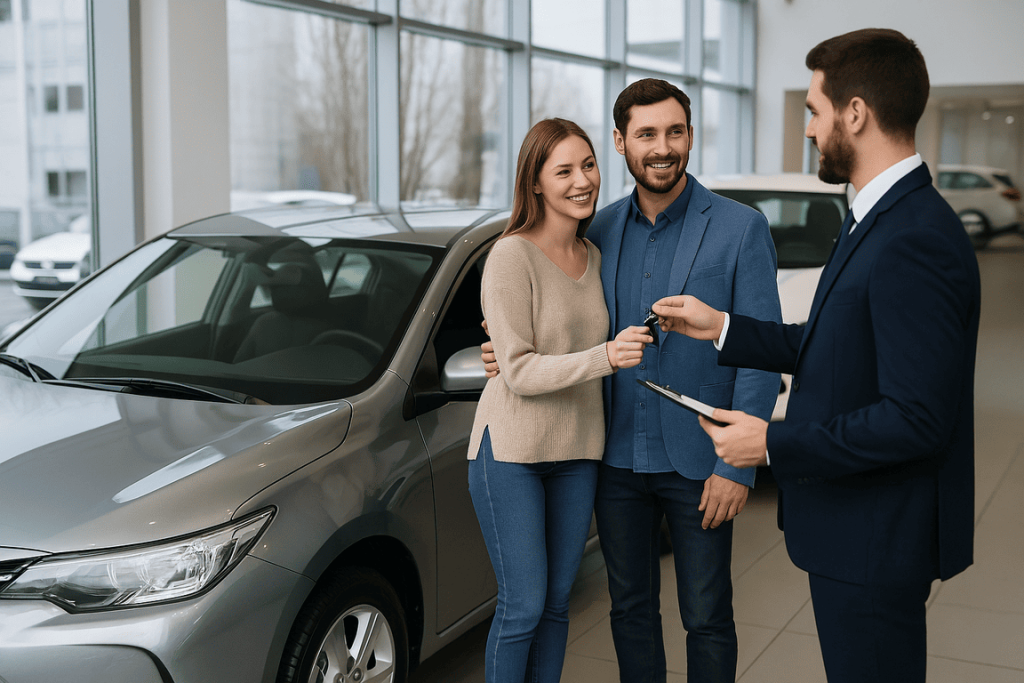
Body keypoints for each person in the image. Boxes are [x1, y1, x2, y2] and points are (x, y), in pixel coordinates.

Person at [652, 29, 980, 683]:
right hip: (856, 531)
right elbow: (834, 343)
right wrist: (722, 327)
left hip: (875, 538)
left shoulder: (914, 236)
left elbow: (916, 418)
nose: (807, 129)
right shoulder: (877, 216)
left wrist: (770, 442)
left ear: (854, 113)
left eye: (813, 110)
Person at [484, 80, 782, 683]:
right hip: (613, 459)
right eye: (646, 134)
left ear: (691, 136)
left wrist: (736, 468)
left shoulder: (741, 227)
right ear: (622, 142)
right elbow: (554, 315)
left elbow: (762, 351)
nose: (662, 147)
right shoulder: (596, 229)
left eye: (674, 131)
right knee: (630, 611)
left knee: (707, 616)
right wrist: (502, 351)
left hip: (701, 460)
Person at [468, 118, 652, 683]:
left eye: (588, 165)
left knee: (554, 605)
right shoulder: (510, 256)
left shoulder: (594, 256)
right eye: (564, 170)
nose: (582, 180)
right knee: (522, 606)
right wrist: (606, 356)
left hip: (578, 451)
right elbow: (520, 371)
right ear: (536, 183)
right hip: (511, 453)